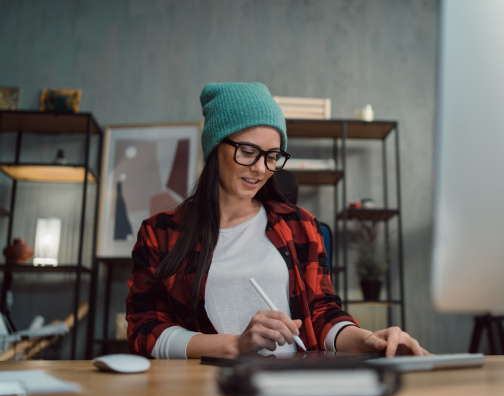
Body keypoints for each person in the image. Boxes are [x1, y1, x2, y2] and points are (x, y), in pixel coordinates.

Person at [126, 82, 429, 359]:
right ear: (215, 148)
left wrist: (370, 341)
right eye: (248, 151)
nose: (260, 168)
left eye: (272, 156)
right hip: (205, 387)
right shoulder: (160, 234)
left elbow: (322, 316)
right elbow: (144, 331)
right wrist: (235, 345)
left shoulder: (300, 226)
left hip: (293, 386)